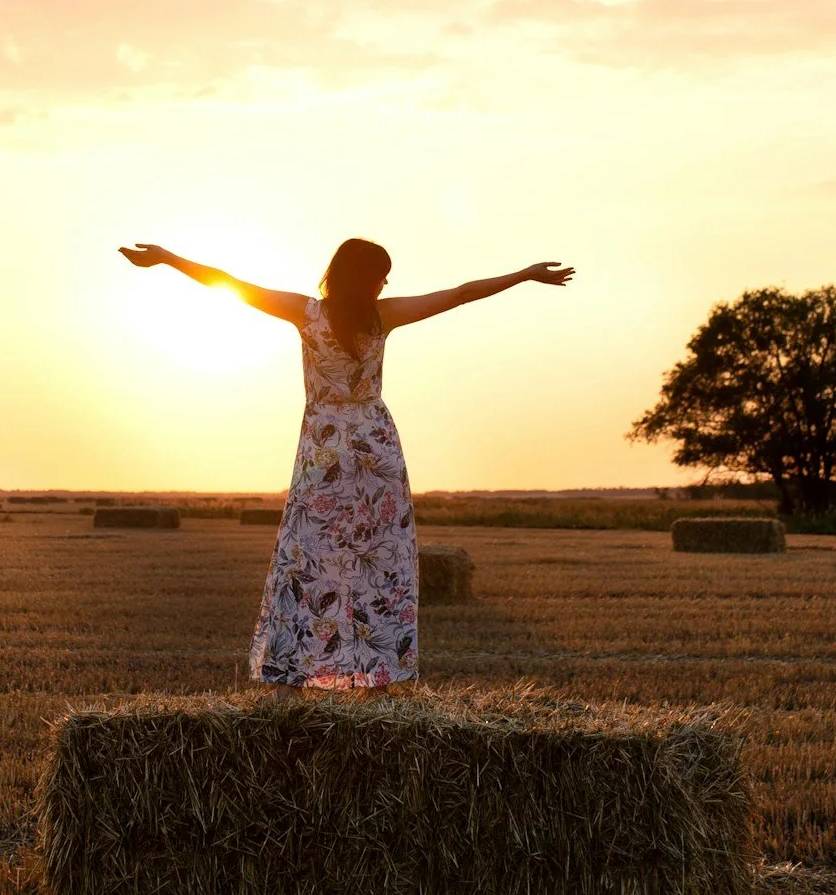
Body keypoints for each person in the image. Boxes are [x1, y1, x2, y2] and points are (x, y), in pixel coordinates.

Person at [117, 239, 573, 690]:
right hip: (376, 449)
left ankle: (293, 673)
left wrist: (168, 260)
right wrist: (523, 275)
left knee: (307, 559)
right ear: (363, 277)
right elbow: (458, 294)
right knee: (381, 561)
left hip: (325, 449)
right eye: (381, 274)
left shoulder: (306, 312)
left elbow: (231, 284)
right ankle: (381, 675)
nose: (387, 282)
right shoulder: (384, 316)